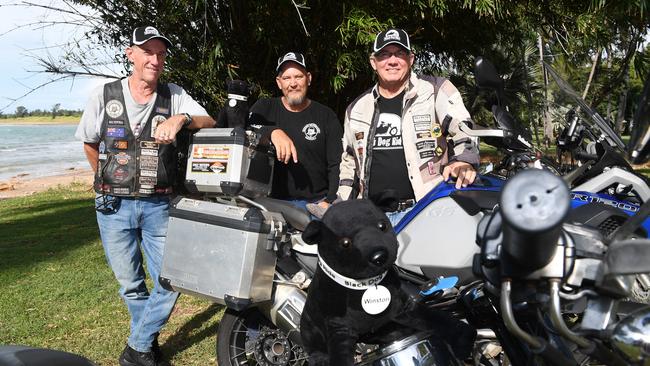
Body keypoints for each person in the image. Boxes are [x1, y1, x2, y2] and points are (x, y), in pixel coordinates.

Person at [75, 26, 216, 366]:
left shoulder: (173, 94)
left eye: (161, 54)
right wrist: (105, 177)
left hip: (158, 204)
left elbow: (209, 121)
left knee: (173, 277)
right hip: (112, 205)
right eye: (148, 52)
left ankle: (136, 345)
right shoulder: (103, 95)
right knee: (131, 286)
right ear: (131, 54)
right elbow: (89, 142)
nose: (155, 59)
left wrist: (181, 119)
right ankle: (146, 346)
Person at [337, 28, 479, 225]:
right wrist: (341, 205)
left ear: (411, 59)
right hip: (371, 217)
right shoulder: (357, 108)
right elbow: (350, 163)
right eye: (384, 55)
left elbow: (462, 127)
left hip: (424, 210)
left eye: (400, 54)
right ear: (373, 62)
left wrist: (464, 161)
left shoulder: (435, 91)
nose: (392, 61)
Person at [248, 52, 343, 214]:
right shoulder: (265, 108)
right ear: (279, 83)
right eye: (286, 78)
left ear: (309, 78)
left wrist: (330, 200)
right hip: (270, 205)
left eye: (298, 77)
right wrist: (272, 131)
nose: (293, 83)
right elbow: (245, 125)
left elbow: (337, 164)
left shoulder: (326, 115)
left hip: (315, 206)